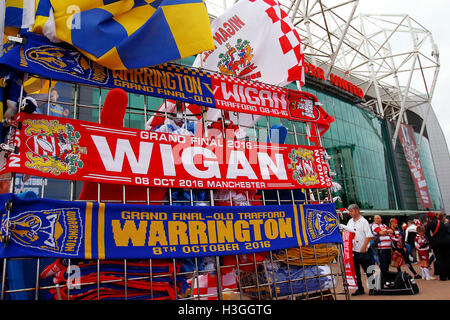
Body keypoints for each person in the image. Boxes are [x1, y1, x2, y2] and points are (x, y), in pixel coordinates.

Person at [339, 204, 374, 296]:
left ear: (357, 211)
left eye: (351, 211)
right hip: (353, 250)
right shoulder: (350, 221)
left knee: (368, 270)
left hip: (363, 250)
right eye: (349, 211)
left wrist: (364, 247)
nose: (350, 213)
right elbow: (347, 233)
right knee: (356, 271)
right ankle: (360, 288)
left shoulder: (363, 221)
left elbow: (369, 235)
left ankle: (373, 288)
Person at [425, 212, 450, 281]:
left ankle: (443, 276)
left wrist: (431, 240)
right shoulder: (442, 222)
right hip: (447, 241)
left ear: (429, 218)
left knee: (440, 259)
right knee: (447, 258)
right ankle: (449, 275)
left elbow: (427, 233)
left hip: (437, 243)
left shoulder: (430, 223)